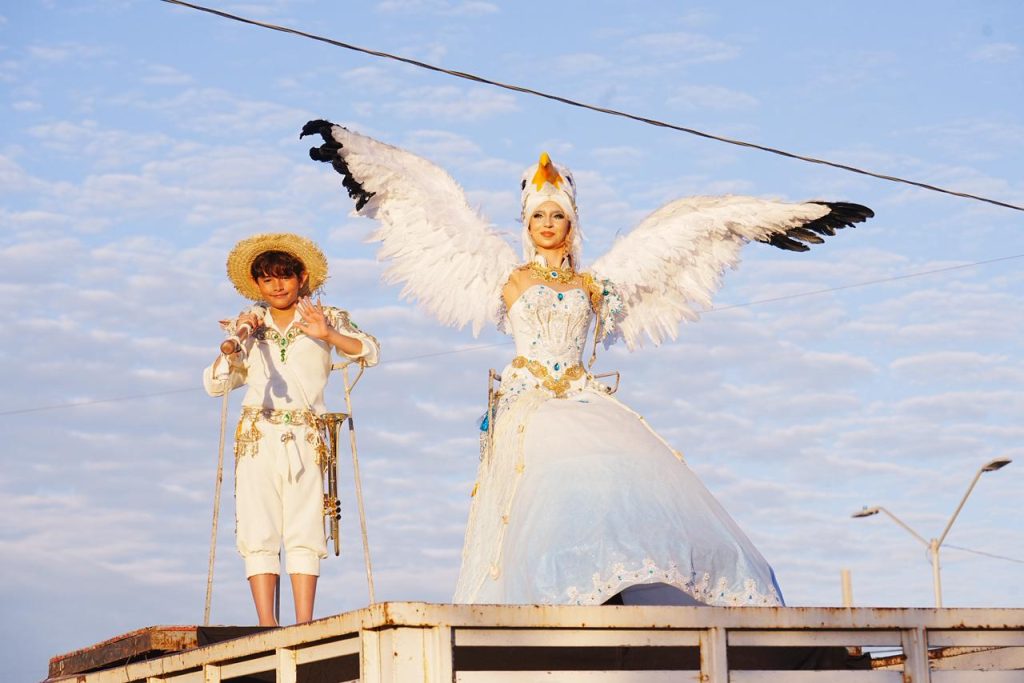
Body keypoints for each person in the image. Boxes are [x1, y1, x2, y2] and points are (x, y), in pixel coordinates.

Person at [301, 120, 872, 606]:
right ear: (526, 225)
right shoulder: (507, 278)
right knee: (554, 499)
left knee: (621, 485)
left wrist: (786, 214)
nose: (548, 224)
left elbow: (698, 224)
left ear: (571, 224)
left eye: (557, 216)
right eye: (538, 217)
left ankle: (617, 591)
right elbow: (423, 196)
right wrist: (359, 152)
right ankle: (562, 599)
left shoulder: (598, 284)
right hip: (531, 408)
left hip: (585, 397)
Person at [203, 232, 379, 625]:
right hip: (257, 436)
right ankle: (267, 625)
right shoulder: (248, 325)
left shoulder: (326, 317)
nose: (277, 285)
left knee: (304, 527)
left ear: (301, 278)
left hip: (305, 434)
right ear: (257, 284)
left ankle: (303, 624)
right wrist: (236, 342)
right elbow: (215, 385)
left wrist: (328, 335)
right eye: (267, 279)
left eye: (284, 276)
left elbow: (370, 351)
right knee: (258, 526)